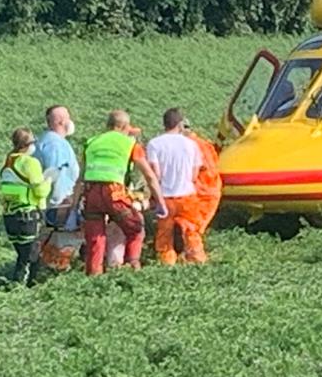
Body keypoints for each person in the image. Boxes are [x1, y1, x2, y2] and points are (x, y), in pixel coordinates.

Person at [73, 110, 166, 275]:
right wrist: (160, 202)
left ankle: (94, 277)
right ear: (124, 126)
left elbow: (80, 178)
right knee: (136, 228)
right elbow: (150, 176)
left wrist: (72, 208)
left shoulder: (92, 142)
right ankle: (132, 268)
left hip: (91, 193)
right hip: (114, 193)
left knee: (96, 238)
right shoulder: (130, 144)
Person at [146, 108, 206, 265]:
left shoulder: (154, 144)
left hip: (165, 197)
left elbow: (155, 175)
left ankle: (167, 262)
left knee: (164, 233)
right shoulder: (191, 144)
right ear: (180, 124)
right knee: (192, 230)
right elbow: (194, 175)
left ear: (164, 124)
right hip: (187, 196)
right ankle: (197, 260)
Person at [0, 127, 52, 282]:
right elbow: (40, 191)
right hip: (28, 214)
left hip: (10, 215)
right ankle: (28, 285)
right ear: (28, 144)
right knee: (31, 255)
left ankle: (18, 283)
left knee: (22, 254)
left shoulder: (8, 161)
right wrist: (48, 180)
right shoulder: (30, 163)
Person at [33, 105, 79, 227]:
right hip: (57, 207)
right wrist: (59, 205)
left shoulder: (48, 140)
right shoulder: (55, 145)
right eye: (68, 117)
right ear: (62, 122)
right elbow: (56, 175)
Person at [184, 121, 222, 235]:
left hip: (200, 192)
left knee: (191, 229)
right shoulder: (205, 144)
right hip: (213, 190)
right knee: (195, 228)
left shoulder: (188, 146)